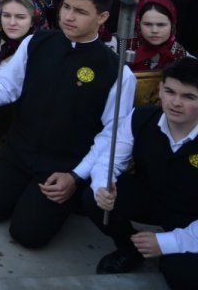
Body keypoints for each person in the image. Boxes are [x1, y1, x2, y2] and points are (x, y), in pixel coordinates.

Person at [0, 0, 135, 249]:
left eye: (81, 11)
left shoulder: (117, 71)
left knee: (27, 235)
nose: (69, 17)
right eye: (66, 7)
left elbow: (112, 134)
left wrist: (75, 177)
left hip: (62, 165)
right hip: (19, 150)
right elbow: (8, 87)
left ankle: (70, 198)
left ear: (102, 17)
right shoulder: (36, 43)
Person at [84, 57, 198, 287]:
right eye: (170, 91)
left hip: (192, 213)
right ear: (160, 89)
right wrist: (102, 188)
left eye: (189, 97)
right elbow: (108, 160)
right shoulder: (141, 118)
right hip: (152, 197)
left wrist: (168, 242)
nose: (175, 102)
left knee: (180, 274)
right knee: (93, 197)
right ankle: (129, 248)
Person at [126, 0, 190, 73]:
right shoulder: (122, 47)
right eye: (148, 24)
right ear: (139, 24)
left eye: (161, 25)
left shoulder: (180, 54)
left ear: (172, 26)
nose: (154, 30)